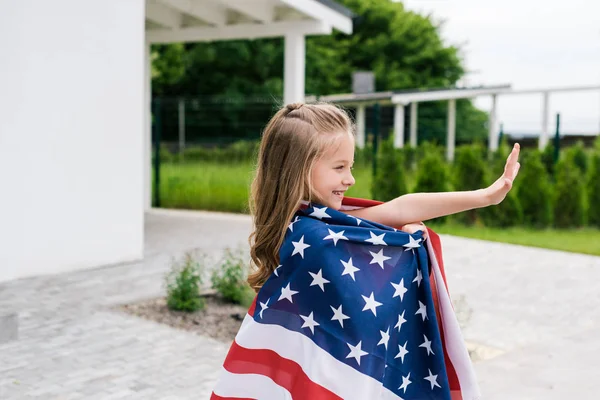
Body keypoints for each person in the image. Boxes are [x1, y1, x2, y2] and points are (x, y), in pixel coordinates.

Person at [211, 102, 520, 400]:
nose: (350, 178)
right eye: (339, 167)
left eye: (351, 166)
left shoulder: (312, 221)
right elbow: (372, 301)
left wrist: (485, 197)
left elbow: (399, 207)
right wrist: (409, 243)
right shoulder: (315, 239)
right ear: (300, 169)